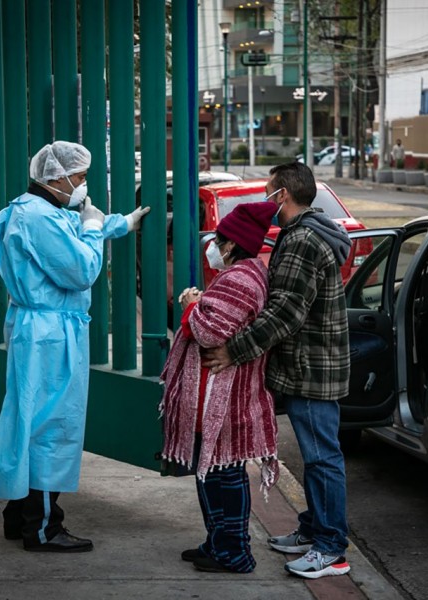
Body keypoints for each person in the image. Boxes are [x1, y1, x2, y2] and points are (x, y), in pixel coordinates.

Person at [0, 141, 150, 553]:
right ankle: (43, 528)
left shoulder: (31, 209)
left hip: (38, 327)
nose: (82, 185)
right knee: (50, 426)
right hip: (50, 332)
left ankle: (18, 516)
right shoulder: (39, 217)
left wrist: (120, 224)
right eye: (78, 177)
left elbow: (74, 229)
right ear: (55, 177)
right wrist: (95, 229)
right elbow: (80, 270)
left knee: (29, 418)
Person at [204, 162, 352, 579]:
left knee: (322, 459)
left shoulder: (303, 239)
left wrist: (234, 350)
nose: (264, 198)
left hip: (312, 367)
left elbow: (285, 312)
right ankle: (313, 530)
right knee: (317, 456)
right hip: (314, 363)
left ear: (282, 194)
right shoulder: (306, 231)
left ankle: (330, 550)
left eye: (269, 190)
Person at [160, 201, 280, 574]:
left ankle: (234, 552)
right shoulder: (241, 274)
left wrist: (192, 304)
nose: (211, 246)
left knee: (226, 474)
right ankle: (218, 544)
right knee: (212, 471)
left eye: (217, 240)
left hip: (226, 397)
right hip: (216, 394)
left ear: (230, 245)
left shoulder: (242, 279)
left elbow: (211, 332)